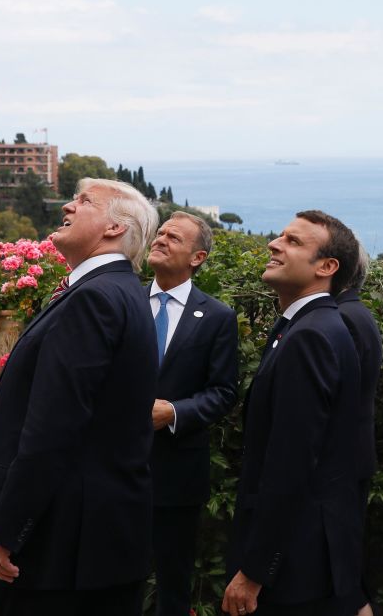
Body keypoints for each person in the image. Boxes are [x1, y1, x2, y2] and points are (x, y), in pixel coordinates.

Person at [0, 178, 160, 616]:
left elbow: (53, 429)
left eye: (83, 201)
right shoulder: (120, 291)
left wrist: (8, 529)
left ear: (114, 228)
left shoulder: (94, 299)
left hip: (58, 549)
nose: (68, 207)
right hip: (90, 542)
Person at [223, 210, 364, 616]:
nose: (274, 243)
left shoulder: (311, 337)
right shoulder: (305, 327)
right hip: (300, 558)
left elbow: (292, 463)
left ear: (327, 267)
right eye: (280, 236)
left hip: (294, 567)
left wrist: (255, 570)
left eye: (293, 241)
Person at [146, 211, 239, 616]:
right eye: (161, 232)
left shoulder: (217, 316)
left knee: (173, 581)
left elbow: (223, 392)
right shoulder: (123, 300)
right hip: (112, 467)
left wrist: (175, 412)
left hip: (176, 472)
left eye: (175, 237)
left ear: (197, 257)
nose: (162, 239)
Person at [335, 242, 383, 616]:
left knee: (343, 579)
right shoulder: (356, 313)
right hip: (351, 459)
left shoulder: (344, 318)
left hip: (339, 465)